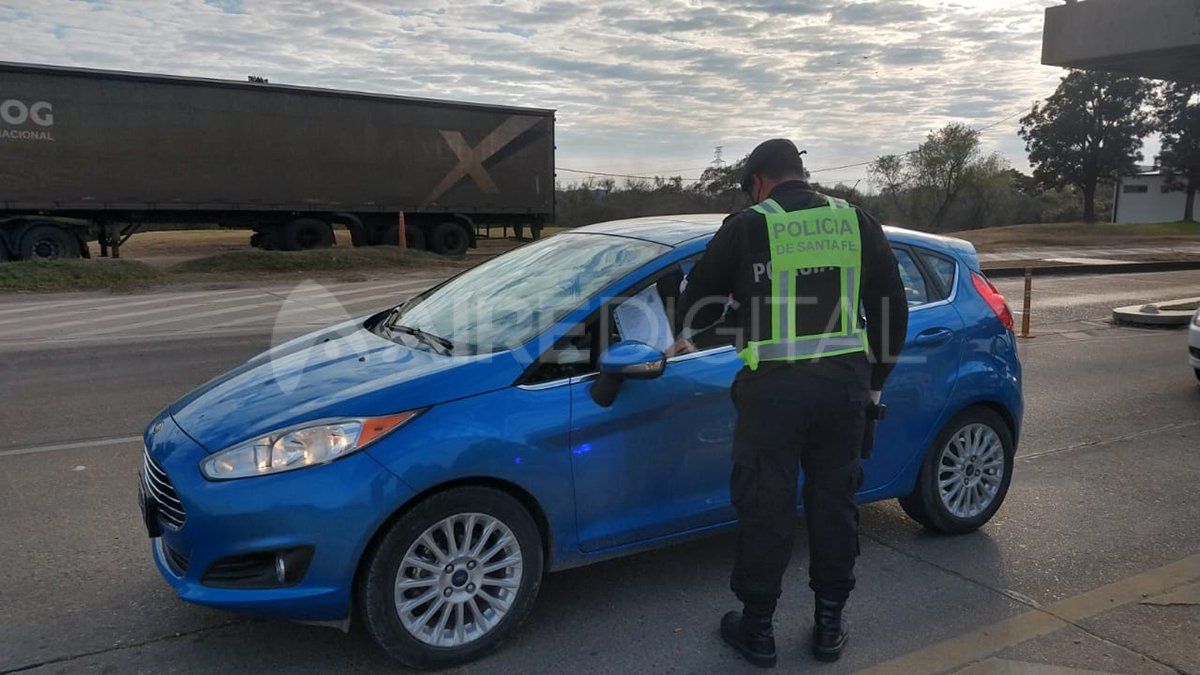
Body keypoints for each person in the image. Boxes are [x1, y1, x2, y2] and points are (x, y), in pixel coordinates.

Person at [670, 139, 908, 667]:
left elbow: (692, 311)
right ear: (800, 172)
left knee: (765, 505)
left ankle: (757, 630)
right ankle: (828, 626)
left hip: (774, 393)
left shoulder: (748, 225)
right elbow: (892, 309)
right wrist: (874, 385)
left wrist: (734, 309)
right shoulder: (856, 221)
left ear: (758, 182)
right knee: (834, 504)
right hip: (844, 387)